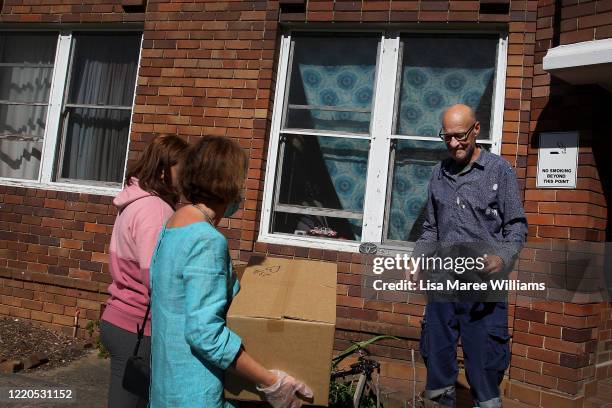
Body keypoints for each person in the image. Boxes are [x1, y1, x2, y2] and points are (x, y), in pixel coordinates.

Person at [149, 136, 312, 408]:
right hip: (195, 391)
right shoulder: (207, 240)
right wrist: (272, 382)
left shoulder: (173, 224)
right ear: (229, 183)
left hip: (166, 385)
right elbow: (204, 333)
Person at [412, 104, 528, 407]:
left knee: (485, 369)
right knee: (437, 364)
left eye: (460, 136)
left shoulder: (499, 171)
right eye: (446, 137)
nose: (453, 144)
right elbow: (431, 229)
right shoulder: (439, 173)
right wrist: (418, 259)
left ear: (476, 130)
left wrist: (502, 258)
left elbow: (516, 227)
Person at [100, 134, 190, 408]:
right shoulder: (154, 208)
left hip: (121, 317)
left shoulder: (135, 201)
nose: (186, 177)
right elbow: (156, 276)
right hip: (137, 325)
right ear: (164, 170)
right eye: (182, 170)